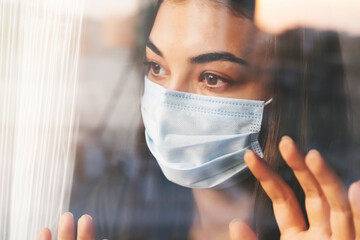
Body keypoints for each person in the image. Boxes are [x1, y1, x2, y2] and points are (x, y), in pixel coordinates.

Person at [38, 0, 360, 239]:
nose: (168, 103)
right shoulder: (116, 209)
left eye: (211, 77)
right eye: (157, 68)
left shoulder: (332, 227)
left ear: (282, 92)